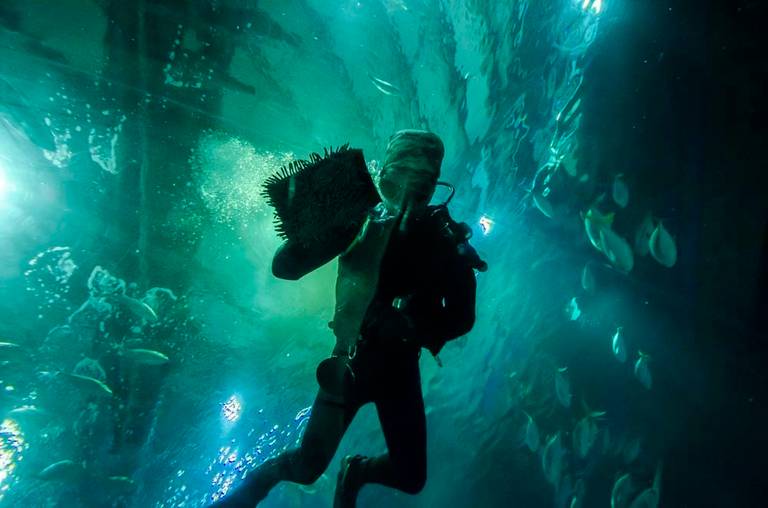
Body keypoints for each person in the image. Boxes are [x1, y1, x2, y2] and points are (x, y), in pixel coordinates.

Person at [211, 130, 481, 508]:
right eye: (402, 177)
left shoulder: (443, 240)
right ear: (384, 178)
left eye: (421, 181)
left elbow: (463, 317)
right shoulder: (358, 222)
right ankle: (256, 484)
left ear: (433, 185)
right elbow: (285, 268)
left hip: (397, 368)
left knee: (409, 475)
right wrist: (318, 221)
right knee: (308, 466)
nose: (409, 190)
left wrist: (410, 326)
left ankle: (356, 470)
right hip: (351, 363)